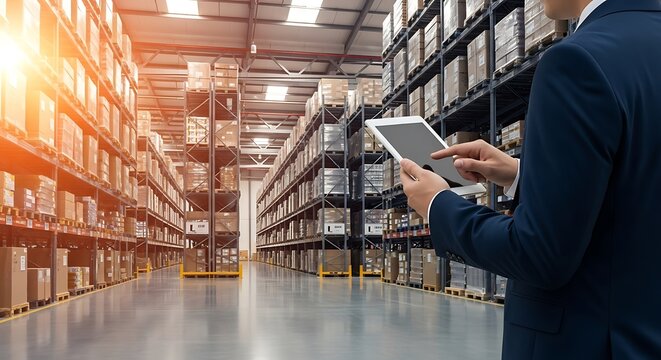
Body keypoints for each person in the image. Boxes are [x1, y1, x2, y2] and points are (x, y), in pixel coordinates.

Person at [399, 0, 661, 358]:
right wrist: (524, 175)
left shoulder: (578, 61)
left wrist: (438, 206)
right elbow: (638, 192)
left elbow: (539, 254)